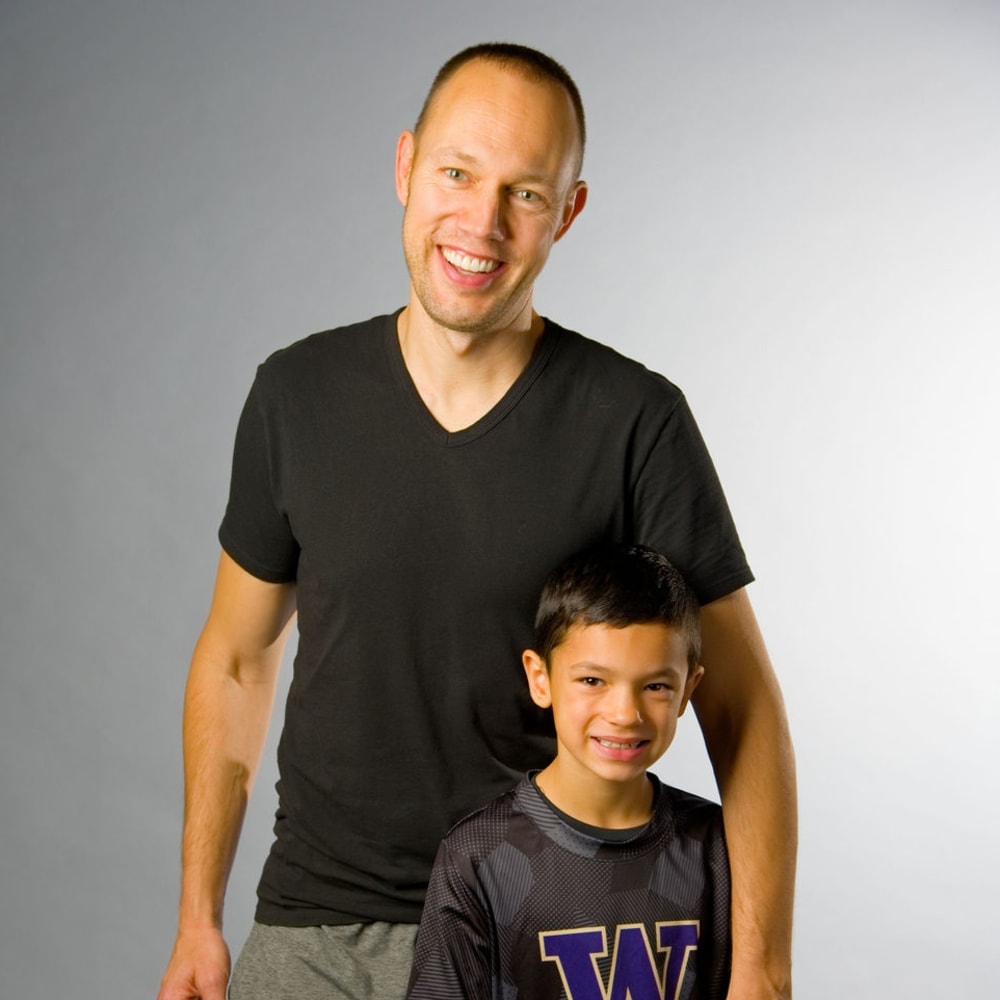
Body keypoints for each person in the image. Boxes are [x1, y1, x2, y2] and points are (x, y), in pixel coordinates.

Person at [157, 42, 796, 1000]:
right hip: (318, 927)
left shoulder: (633, 420)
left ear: (567, 214)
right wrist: (197, 918)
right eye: (457, 173)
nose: (482, 222)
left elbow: (741, 708)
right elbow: (237, 660)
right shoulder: (296, 395)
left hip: (540, 919)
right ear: (407, 167)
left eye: (526, 194)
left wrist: (762, 970)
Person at [406, 543, 730, 1000]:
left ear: (686, 691)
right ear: (541, 679)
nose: (623, 713)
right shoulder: (477, 856)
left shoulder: (717, 845)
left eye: (655, 685)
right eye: (593, 680)